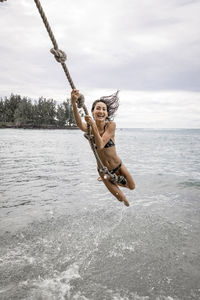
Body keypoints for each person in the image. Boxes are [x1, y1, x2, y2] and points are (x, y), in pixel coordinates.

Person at [71, 89, 135, 206]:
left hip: (118, 166)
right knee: (122, 199)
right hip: (103, 171)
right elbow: (79, 123)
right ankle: (107, 179)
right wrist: (73, 104)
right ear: (92, 111)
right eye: (98, 108)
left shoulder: (111, 125)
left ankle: (115, 178)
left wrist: (93, 125)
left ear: (107, 113)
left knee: (132, 186)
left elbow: (100, 144)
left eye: (104, 109)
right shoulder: (89, 129)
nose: (101, 111)